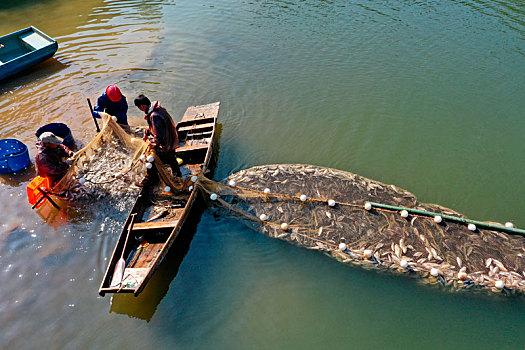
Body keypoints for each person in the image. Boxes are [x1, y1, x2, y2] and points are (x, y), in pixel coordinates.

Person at [134, 94, 181, 187]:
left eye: (139, 107)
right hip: (171, 139)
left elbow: (159, 136)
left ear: (142, 106)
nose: (140, 109)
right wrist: (147, 133)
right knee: (171, 158)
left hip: (166, 142)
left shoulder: (154, 115)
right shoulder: (157, 109)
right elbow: (156, 127)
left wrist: (151, 146)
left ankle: (149, 180)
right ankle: (177, 174)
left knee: (150, 158)